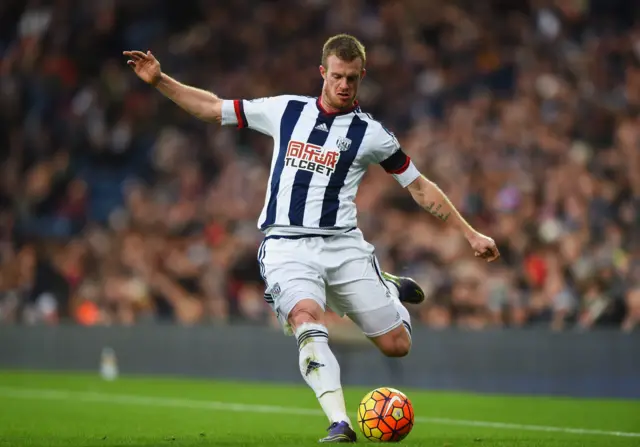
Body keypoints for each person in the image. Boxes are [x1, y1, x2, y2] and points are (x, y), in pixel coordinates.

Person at [124, 34, 499, 443]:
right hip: (287, 245)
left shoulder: (371, 134)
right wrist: (161, 80)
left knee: (397, 345)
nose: (344, 85)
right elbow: (214, 109)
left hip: (344, 246)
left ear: (362, 77)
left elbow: (419, 186)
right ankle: (339, 422)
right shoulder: (285, 110)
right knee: (306, 316)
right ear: (322, 72)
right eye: (337, 76)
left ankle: (386, 285)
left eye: (352, 79)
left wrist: (470, 232)